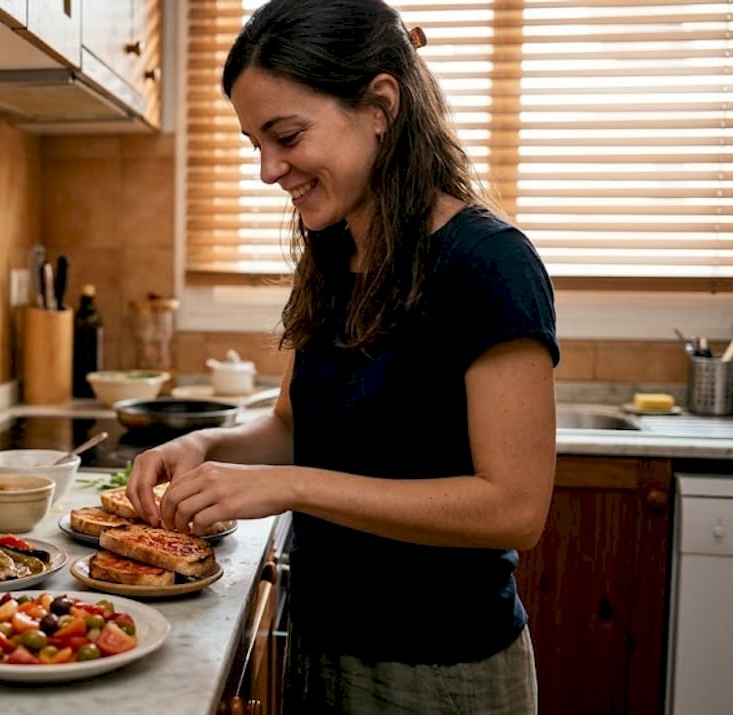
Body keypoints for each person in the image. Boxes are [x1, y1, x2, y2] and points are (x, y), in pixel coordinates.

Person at [126, 1, 559, 712]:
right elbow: (294, 425)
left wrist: (292, 486)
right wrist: (204, 444)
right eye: (253, 143)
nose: (269, 170)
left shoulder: (489, 263)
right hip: (322, 646)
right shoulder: (331, 253)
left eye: (286, 135)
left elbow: (513, 508)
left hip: (441, 670)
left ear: (381, 104)